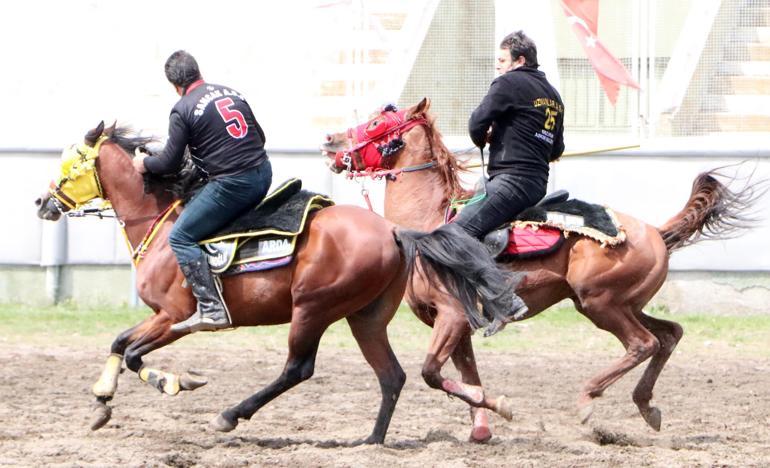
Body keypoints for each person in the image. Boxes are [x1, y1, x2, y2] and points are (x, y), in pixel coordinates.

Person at [132, 50, 272, 333]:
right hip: (263, 174)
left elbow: (169, 162)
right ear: (197, 72)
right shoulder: (231, 93)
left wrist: (143, 164)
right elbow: (261, 136)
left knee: (181, 236)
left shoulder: (182, 108)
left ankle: (211, 307)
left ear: (174, 84)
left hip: (233, 186)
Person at [450, 30, 565, 334]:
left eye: (502, 60)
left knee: (457, 232)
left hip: (511, 180)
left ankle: (505, 299)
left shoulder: (509, 82)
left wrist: (482, 137)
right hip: (536, 182)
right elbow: (556, 150)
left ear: (520, 60)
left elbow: (476, 122)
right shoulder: (553, 95)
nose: (498, 67)